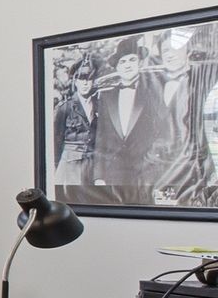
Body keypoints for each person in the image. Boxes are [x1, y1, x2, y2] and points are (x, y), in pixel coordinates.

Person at [151, 29, 218, 206]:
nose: (170, 55)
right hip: (157, 170)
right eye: (165, 51)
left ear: (188, 51)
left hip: (195, 171)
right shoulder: (152, 86)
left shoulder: (205, 81)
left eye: (175, 49)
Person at [95, 38, 159, 199]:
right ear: (117, 67)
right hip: (114, 173)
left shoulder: (153, 93)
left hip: (145, 173)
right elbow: (100, 138)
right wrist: (98, 176)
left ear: (140, 63)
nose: (128, 65)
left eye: (132, 60)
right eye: (123, 62)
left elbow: (163, 132)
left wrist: (153, 165)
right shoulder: (106, 97)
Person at [51, 55, 102, 200]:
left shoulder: (98, 104)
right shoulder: (65, 108)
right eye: (82, 79)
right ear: (75, 81)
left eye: (89, 79)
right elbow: (56, 141)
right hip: (70, 166)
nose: (86, 83)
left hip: (91, 165)